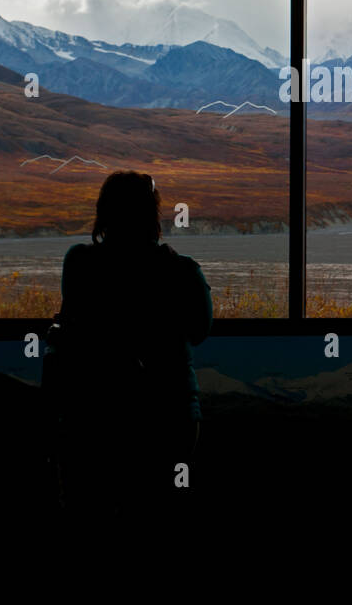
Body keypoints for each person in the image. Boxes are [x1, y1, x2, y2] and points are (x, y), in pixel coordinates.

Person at [47, 170, 213, 512]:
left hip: (93, 413)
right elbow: (199, 331)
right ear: (152, 214)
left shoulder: (80, 263)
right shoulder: (181, 271)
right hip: (170, 413)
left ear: (104, 212)